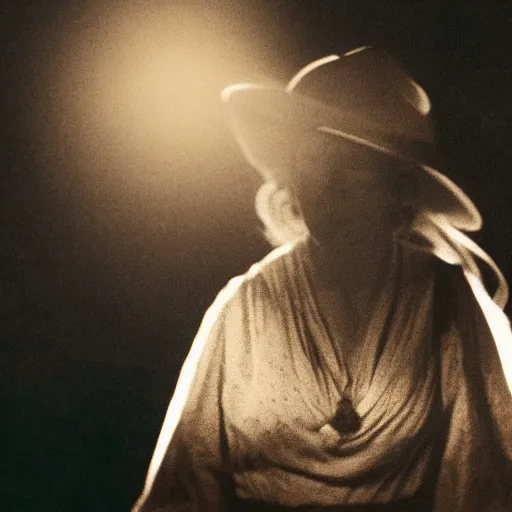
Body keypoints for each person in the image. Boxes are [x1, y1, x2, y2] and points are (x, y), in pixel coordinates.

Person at [132, 47, 512, 511]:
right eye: (312, 160)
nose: (325, 186)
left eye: (352, 164)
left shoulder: (445, 303)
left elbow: (480, 484)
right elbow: (184, 487)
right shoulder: (247, 306)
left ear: (400, 189)